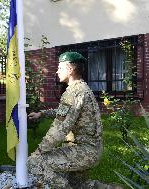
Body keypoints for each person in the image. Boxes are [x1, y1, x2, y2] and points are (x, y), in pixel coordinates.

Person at [27, 52, 103, 189]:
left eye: (60, 68)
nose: (57, 71)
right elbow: (68, 113)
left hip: (85, 151)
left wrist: (39, 150)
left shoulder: (73, 93)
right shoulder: (82, 88)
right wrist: (42, 113)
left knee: (34, 162)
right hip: (91, 148)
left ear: (70, 70)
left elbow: (59, 128)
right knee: (77, 184)